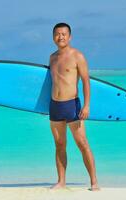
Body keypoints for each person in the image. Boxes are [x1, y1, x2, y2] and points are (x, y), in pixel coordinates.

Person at [49, 22, 99, 191]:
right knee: (59, 145)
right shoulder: (52, 57)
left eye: (63, 34)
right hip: (54, 106)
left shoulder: (78, 56)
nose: (60, 36)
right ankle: (61, 182)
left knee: (82, 143)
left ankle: (94, 182)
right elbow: (51, 83)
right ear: (53, 37)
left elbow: (86, 82)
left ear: (69, 37)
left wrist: (86, 106)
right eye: (57, 34)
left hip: (72, 105)